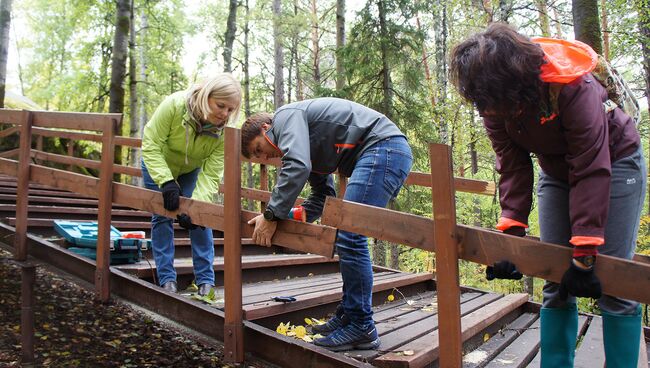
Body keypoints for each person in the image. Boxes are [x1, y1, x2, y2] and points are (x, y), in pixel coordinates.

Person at [450, 23, 645, 367]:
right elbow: (513, 166)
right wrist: (512, 242)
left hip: (613, 164)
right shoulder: (494, 104)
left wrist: (585, 253)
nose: (484, 111)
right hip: (556, 171)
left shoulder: (572, 86)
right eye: (480, 101)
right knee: (554, 280)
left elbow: (591, 166)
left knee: (615, 283)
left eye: (488, 100)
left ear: (512, 84)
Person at [241, 97, 413, 351]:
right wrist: (283, 216)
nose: (264, 157)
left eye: (258, 150)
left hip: (383, 148)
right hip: (382, 152)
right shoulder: (308, 144)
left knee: (351, 236)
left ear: (266, 128)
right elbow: (322, 199)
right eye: (258, 158)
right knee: (347, 234)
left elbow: (297, 167)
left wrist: (271, 215)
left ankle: (361, 325)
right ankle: (349, 314)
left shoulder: (286, 116)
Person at [141, 73, 242, 295]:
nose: (225, 113)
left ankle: (205, 280)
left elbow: (212, 172)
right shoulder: (174, 106)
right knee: (163, 214)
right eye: (221, 105)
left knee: (200, 218)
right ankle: (167, 278)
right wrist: (166, 181)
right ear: (206, 96)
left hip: (190, 170)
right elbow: (150, 143)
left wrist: (199, 203)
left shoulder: (225, 131)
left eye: (230, 109)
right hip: (157, 163)